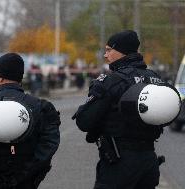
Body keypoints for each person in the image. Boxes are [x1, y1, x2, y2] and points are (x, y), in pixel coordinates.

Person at [73, 30, 168, 189]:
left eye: (109, 50)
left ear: (121, 51)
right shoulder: (155, 78)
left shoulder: (113, 81)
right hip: (148, 161)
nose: (105, 55)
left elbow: (84, 121)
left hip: (119, 163)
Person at [0, 53, 61, 189]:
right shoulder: (42, 107)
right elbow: (49, 145)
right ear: (20, 78)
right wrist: (23, 175)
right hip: (27, 182)